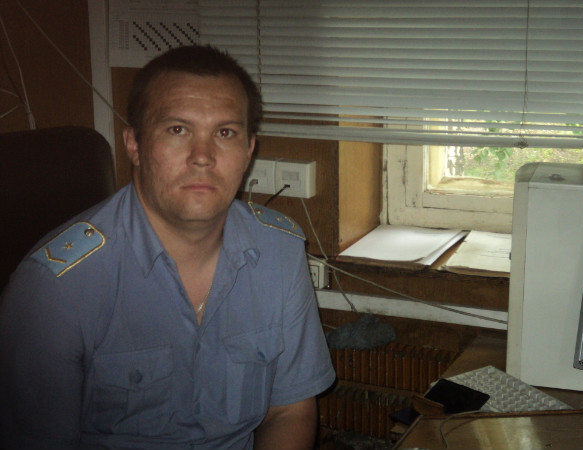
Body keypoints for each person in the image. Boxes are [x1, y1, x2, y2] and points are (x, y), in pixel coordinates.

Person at [0, 45, 335, 450]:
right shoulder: (55, 288)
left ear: (249, 150)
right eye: (178, 130)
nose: (202, 157)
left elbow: (289, 412)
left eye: (225, 133)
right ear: (134, 144)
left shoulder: (280, 251)